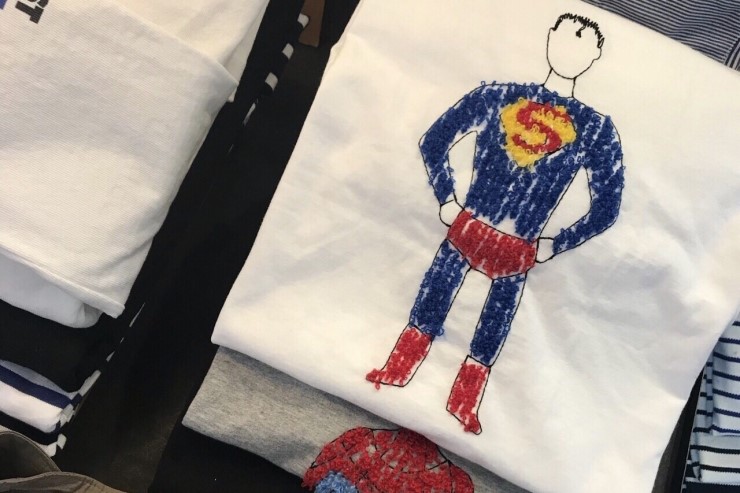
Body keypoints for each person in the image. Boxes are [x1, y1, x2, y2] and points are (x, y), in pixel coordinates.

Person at [367, 13, 625, 435]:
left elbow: (608, 206)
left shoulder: (596, 130)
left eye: (583, 40)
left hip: (520, 247)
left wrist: (556, 243)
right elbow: (434, 140)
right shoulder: (499, 95)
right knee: (432, 301)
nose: (572, 45)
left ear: (596, 54)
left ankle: (464, 405)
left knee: (492, 326)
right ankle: (396, 371)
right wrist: (446, 199)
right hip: (469, 226)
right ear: (549, 36)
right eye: (567, 35)